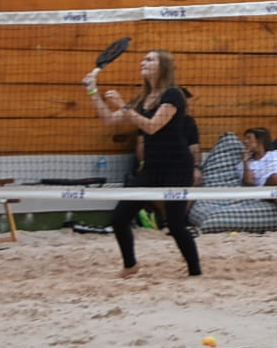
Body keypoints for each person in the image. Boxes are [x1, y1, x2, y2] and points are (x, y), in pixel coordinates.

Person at [85, 48, 202, 275]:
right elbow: (109, 120)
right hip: (152, 167)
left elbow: (152, 126)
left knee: (176, 224)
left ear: (162, 66)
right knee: (119, 218)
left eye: (149, 59)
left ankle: (195, 271)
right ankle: (130, 266)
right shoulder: (143, 98)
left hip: (177, 166)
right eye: (143, 59)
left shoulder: (173, 95)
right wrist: (92, 92)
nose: (143, 62)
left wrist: (123, 105)